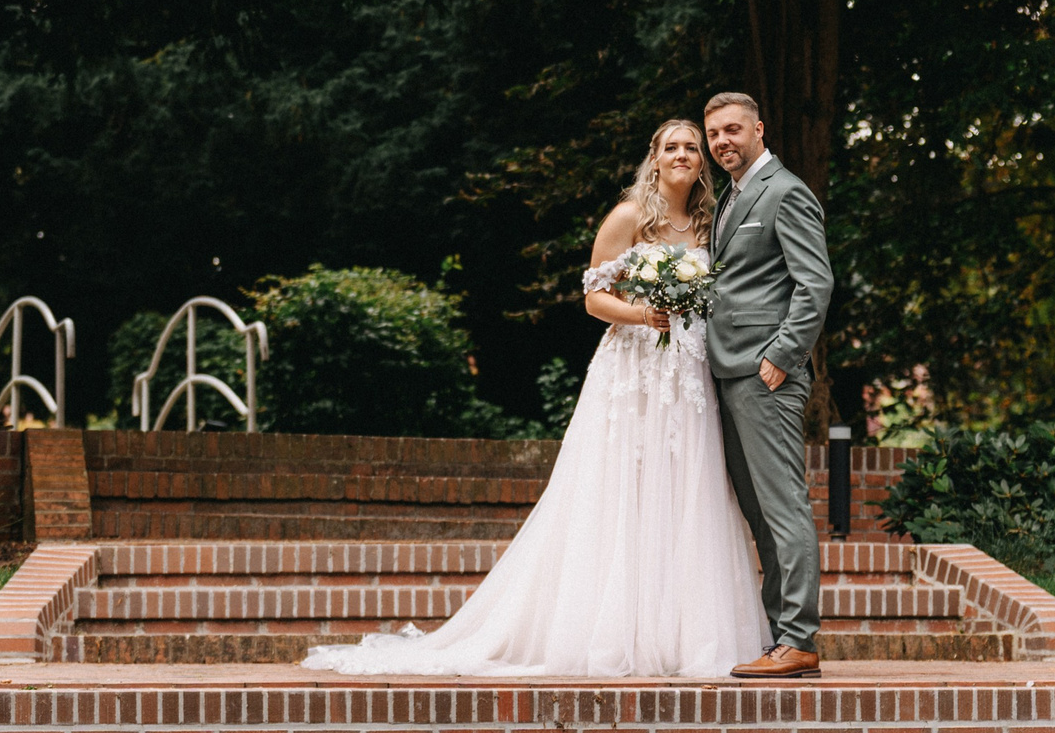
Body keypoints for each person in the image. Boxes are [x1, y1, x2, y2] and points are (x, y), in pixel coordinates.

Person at [302, 120, 767, 677]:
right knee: (623, 487)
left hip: (688, 371)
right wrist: (645, 313)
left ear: (703, 162)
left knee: (688, 487)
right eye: (673, 146)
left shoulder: (710, 225)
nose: (684, 154)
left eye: (692, 147)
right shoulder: (628, 218)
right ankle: (611, 629)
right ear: (656, 157)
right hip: (633, 367)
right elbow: (594, 297)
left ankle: (685, 634)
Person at [701, 92, 836, 680]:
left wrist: (780, 356)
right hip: (727, 373)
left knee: (783, 508)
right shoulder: (729, 198)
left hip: (765, 376)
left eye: (733, 130)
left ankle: (800, 637)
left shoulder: (786, 191)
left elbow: (815, 285)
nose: (722, 142)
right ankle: (780, 634)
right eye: (714, 135)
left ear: (759, 127)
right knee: (758, 513)